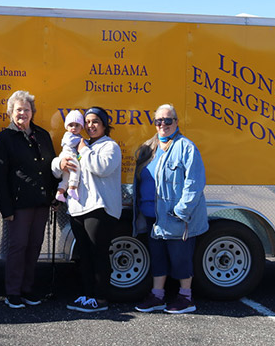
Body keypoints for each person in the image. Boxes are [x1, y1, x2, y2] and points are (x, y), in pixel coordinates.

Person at [133, 104, 207, 314]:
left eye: (168, 120)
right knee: (158, 258)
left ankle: (186, 298)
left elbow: (194, 183)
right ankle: (158, 296)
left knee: (180, 258)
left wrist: (181, 212)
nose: (163, 124)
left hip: (174, 217)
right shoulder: (149, 147)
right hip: (152, 216)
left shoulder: (186, 147)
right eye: (159, 121)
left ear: (176, 122)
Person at [0, 90, 61, 309]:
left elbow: (50, 168)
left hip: (41, 202)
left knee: (34, 246)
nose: (23, 113)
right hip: (19, 204)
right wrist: (6, 208)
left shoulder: (42, 135)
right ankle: (12, 292)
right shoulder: (4, 138)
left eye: (27, 109)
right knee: (18, 247)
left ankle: (27, 289)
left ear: (33, 112)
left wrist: (54, 196)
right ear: (11, 112)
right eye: (18, 109)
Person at [55, 107, 122, 313]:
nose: (91, 126)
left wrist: (84, 150)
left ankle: (100, 298)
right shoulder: (78, 144)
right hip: (78, 208)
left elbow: (102, 168)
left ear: (104, 125)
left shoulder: (110, 146)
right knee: (83, 254)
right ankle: (86, 295)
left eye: (96, 122)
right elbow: (58, 167)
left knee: (98, 253)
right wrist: (60, 162)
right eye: (89, 122)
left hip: (99, 208)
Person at [55, 110, 84, 203]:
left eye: (77, 125)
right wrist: (83, 141)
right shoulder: (68, 135)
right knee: (76, 169)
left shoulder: (77, 136)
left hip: (71, 156)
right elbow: (71, 142)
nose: (74, 128)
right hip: (68, 156)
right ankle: (72, 188)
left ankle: (60, 193)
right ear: (67, 126)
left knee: (66, 178)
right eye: (71, 125)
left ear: (81, 127)